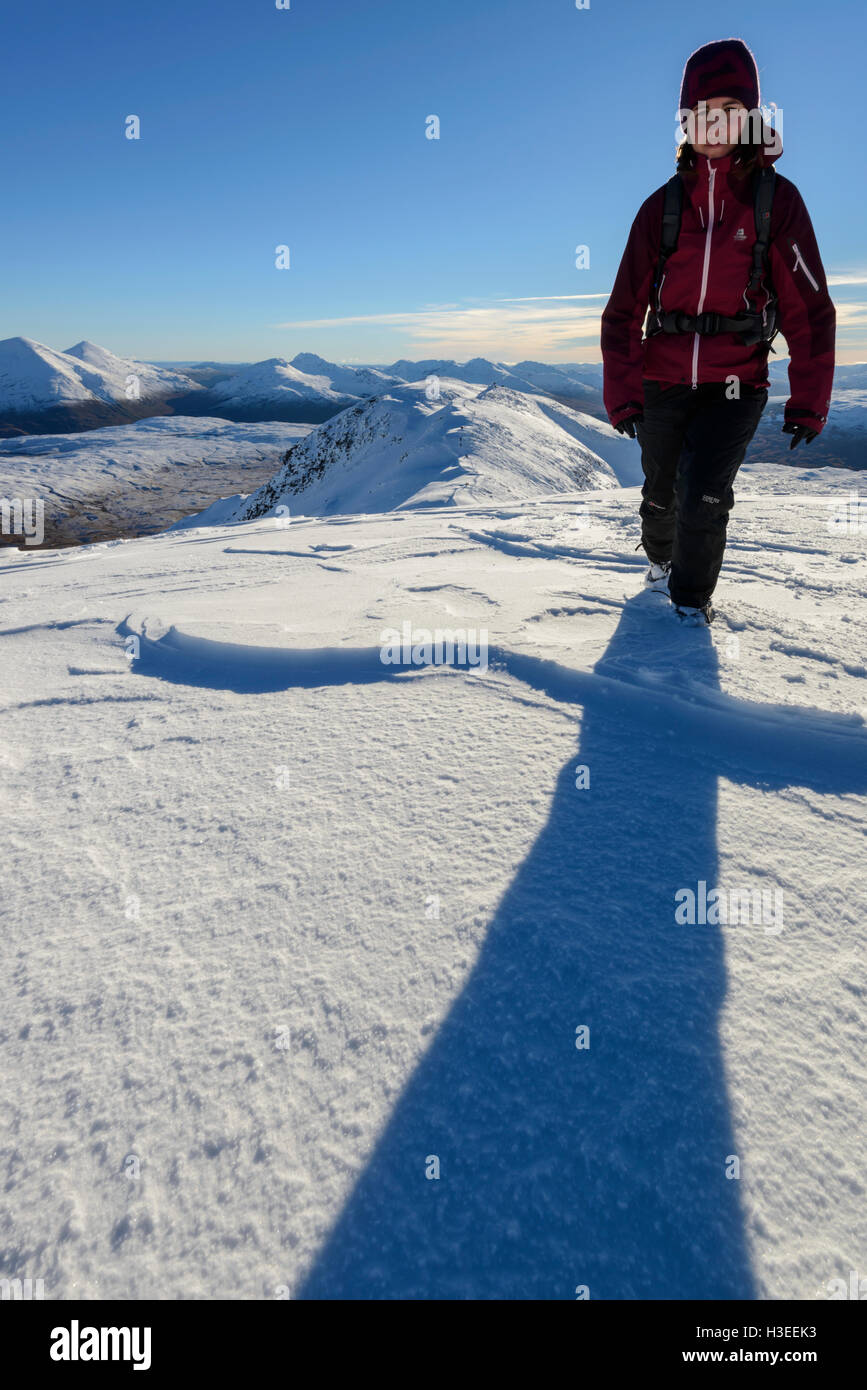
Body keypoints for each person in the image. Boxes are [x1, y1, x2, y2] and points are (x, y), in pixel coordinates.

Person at [600, 37, 836, 623]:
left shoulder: (776, 204)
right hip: (663, 376)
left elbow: (810, 308)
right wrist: (623, 393)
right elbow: (624, 309)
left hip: (738, 381)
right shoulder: (662, 208)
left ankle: (688, 608)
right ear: (685, 122)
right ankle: (659, 564)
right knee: (661, 495)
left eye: (728, 111)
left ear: (750, 119)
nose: (714, 124)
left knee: (704, 495)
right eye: (701, 112)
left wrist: (810, 399)